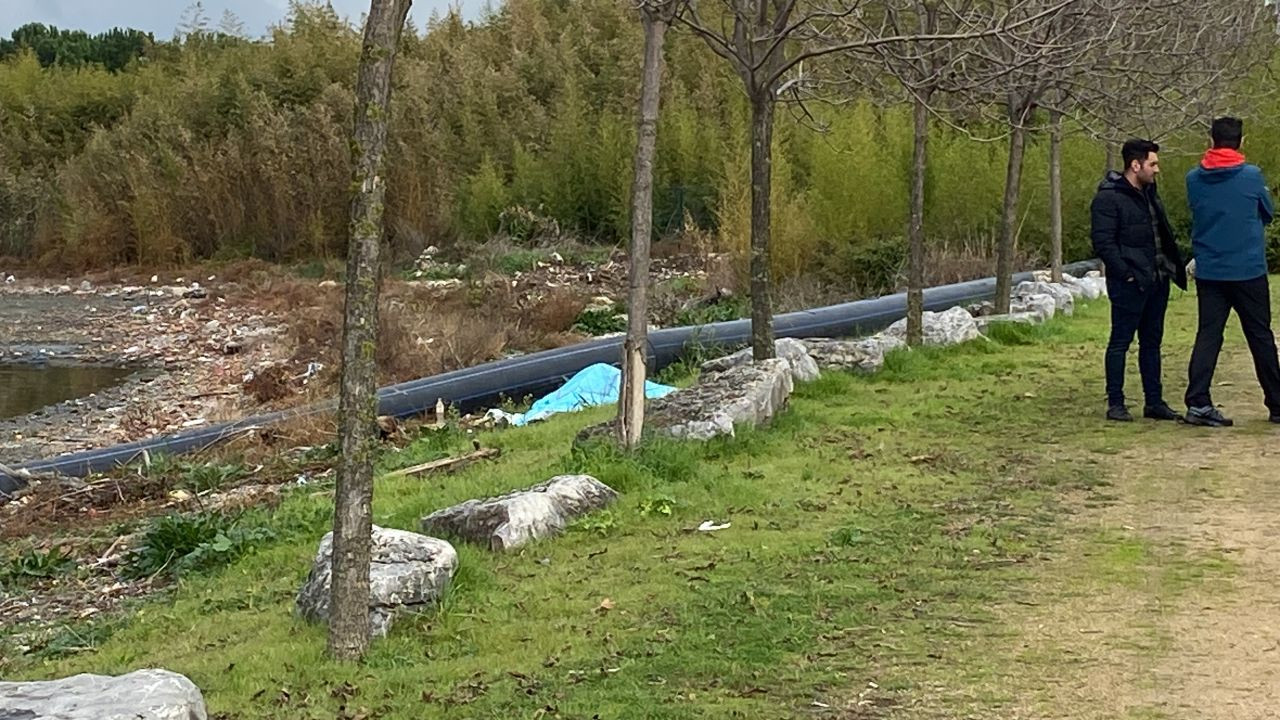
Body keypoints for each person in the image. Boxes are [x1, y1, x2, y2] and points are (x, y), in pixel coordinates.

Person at [1182, 116, 1279, 427]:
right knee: (1260, 336)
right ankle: (1276, 403)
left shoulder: (1194, 179)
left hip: (1210, 270)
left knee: (1209, 335)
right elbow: (1268, 212)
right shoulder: (1251, 176)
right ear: (1242, 141)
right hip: (1248, 268)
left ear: (1211, 141)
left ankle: (1198, 401)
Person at [1090, 138, 1187, 422]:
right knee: (1120, 341)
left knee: (1152, 343)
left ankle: (1154, 402)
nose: (1157, 170)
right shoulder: (1108, 198)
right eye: (1152, 163)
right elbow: (1103, 243)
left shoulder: (1149, 194)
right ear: (1136, 164)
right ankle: (1116, 403)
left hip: (1157, 279)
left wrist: (1168, 268)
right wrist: (1127, 273)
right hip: (1130, 283)